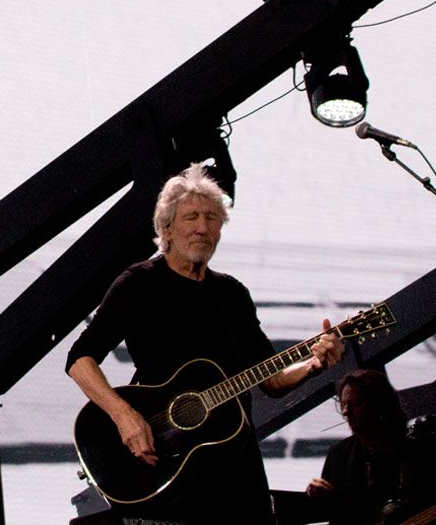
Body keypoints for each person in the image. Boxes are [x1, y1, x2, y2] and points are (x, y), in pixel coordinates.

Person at [67, 162, 344, 524]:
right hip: (165, 463)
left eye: (212, 218)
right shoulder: (139, 283)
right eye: (191, 217)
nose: (202, 228)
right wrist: (125, 417)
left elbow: (271, 379)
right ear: (165, 228)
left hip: (235, 468)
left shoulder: (232, 294)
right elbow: (79, 358)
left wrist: (314, 364)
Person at [306, 368, 436, 525]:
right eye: (343, 405)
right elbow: (329, 513)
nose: (346, 412)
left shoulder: (419, 452)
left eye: (355, 404)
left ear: (379, 404)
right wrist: (315, 495)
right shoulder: (339, 454)